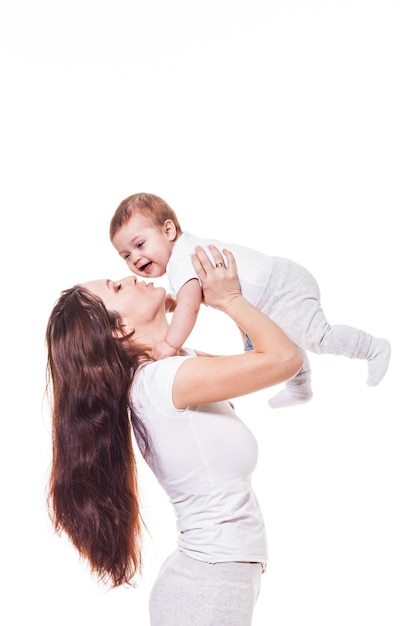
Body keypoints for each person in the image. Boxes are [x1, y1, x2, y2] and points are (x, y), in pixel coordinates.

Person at [45, 245, 303, 626]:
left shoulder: (172, 368)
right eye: (116, 287)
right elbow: (284, 360)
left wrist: (199, 301)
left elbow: (269, 356)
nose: (131, 275)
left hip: (214, 578)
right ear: (121, 327)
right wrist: (228, 299)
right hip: (208, 583)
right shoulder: (161, 382)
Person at [110, 192, 391, 409]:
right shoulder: (179, 261)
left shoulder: (183, 259)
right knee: (275, 342)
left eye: (139, 245)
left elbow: (190, 306)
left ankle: (372, 348)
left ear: (168, 231)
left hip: (280, 287)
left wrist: (171, 343)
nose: (134, 258)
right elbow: (186, 298)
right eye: (125, 255)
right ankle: (300, 388)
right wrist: (172, 303)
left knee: (317, 337)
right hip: (268, 296)